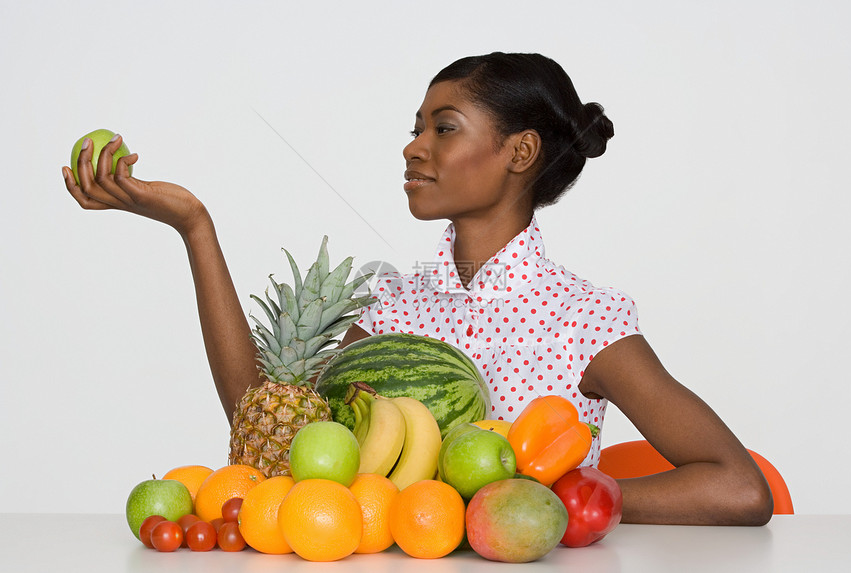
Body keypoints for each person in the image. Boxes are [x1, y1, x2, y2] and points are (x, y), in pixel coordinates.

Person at [62, 52, 773, 526]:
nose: (412, 146)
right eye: (415, 128)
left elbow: (740, 487)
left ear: (519, 152)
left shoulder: (585, 319)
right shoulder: (393, 307)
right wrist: (195, 227)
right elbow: (268, 428)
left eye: (444, 127)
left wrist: (561, 496)